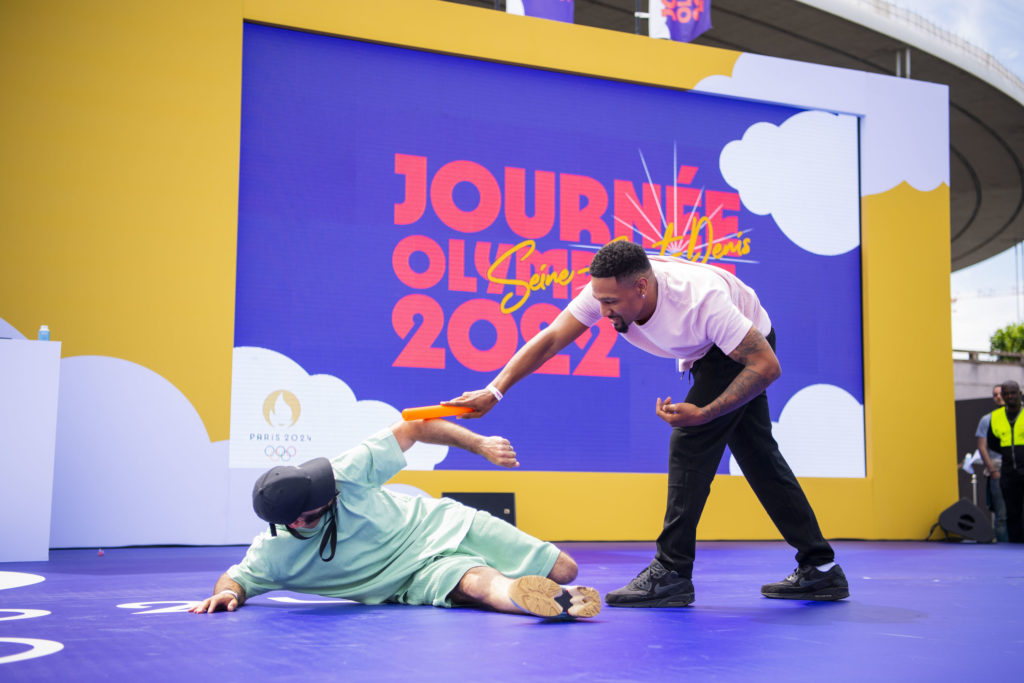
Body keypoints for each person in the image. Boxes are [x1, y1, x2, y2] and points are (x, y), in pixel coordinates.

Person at [446, 240, 848, 606]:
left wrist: (705, 413)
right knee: (759, 458)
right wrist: (494, 391)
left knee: (690, 440)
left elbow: (766, 365)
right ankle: (821, 567)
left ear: (641, 287)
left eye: (611, 302)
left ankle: (672, 571)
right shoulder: (607, 290)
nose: (603, 311)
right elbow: (552, 338)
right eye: (599, 301)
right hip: (709, 350)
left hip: (744, 348)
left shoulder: (700, 301)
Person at [189, 417, 601, 619]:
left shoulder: (341, 474)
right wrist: (229, 594)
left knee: (565, 569)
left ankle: (554, 588)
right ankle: (547, 601)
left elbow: (414, 428)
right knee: (477, 584)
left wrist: (479, 444)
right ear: (296, 522)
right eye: (318, 501)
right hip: (411, 577)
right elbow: (236, 579)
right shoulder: (273, 555)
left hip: (441, 523)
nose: (329, 491)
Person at [986, 380, 1024, 543]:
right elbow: (992, 442)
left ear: (1020, 394)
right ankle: (1016, 546)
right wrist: (1009, 454)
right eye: (1006, 393)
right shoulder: (996, 417)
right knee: (1012, 513)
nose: (1010, 396)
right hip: (1009, 473)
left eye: (1013, 393)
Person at [975, 384, 1008, 542]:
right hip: (998, 470)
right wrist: (993, 470)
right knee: (1001, 515)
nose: (999, 397)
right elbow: (982, 447)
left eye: (1001, 393)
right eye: (995, 395)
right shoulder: (987, 419)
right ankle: (1004, 548)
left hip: (1018, 470)